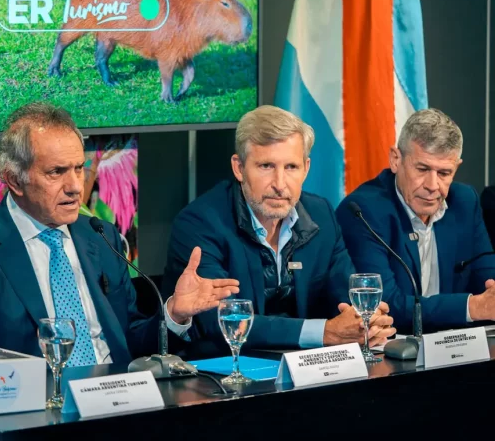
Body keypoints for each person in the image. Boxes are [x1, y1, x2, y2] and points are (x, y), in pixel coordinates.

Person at [0, 103, 240, 365]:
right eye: (56, 172)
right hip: (34, 401)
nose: (75, 186)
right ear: (14, 181)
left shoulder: (100, 236)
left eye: (78, 168)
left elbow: (132, 340)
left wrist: (174, 314)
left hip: (116, 396)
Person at [162, 105, 395, 354]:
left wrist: (365, 322)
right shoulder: (200, 223)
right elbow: (220, 320)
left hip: (308, 368)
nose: (280, 184)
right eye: (266, 166)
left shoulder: (321, 214)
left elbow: (346, 296)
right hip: (225, 369)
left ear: (306, 168)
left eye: (291, 167)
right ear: (239, 168)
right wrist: (325, 332)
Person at [336, 108, 495, 333]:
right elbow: (385, 307)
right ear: (396, 160)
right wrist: (471, 307)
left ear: (456, 167)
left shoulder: (464, 202)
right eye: (422, 169)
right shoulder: (363, 211)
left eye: (444, 173)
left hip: (456, 346)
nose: (432, 185)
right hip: (392, 348)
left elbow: (488, 282)